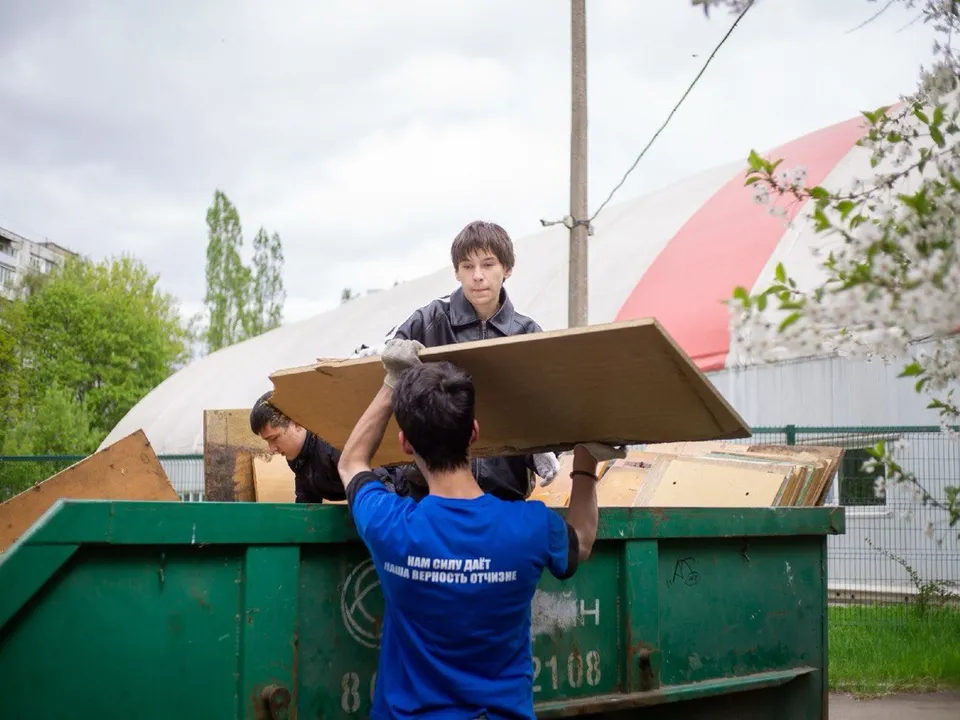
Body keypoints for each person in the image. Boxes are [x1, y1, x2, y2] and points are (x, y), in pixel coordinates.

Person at [337, 338, 624, 719]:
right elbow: (582, 542)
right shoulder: (529, 526)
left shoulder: (390, 525)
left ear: (405, 444)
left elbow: (351, 462)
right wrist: (586, 461)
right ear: (474, 432)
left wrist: (392, 381)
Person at [353, 220, 560, 502]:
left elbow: (548, 406)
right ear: (456, 272)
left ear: (507, 269)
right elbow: (386, 353)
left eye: (488, 264)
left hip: (503, 495)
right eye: (467, 266)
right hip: (429, 491)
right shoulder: (429, 320)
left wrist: (541, 448)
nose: (477, 276)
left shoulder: (528, 334)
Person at [249, 390, 407, 503]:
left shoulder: (333, 444)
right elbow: (307, 501)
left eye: (274, 438)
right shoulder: (296, 458)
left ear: (295, 423)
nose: (272, 449)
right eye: (267, 442)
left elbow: (380, 485)